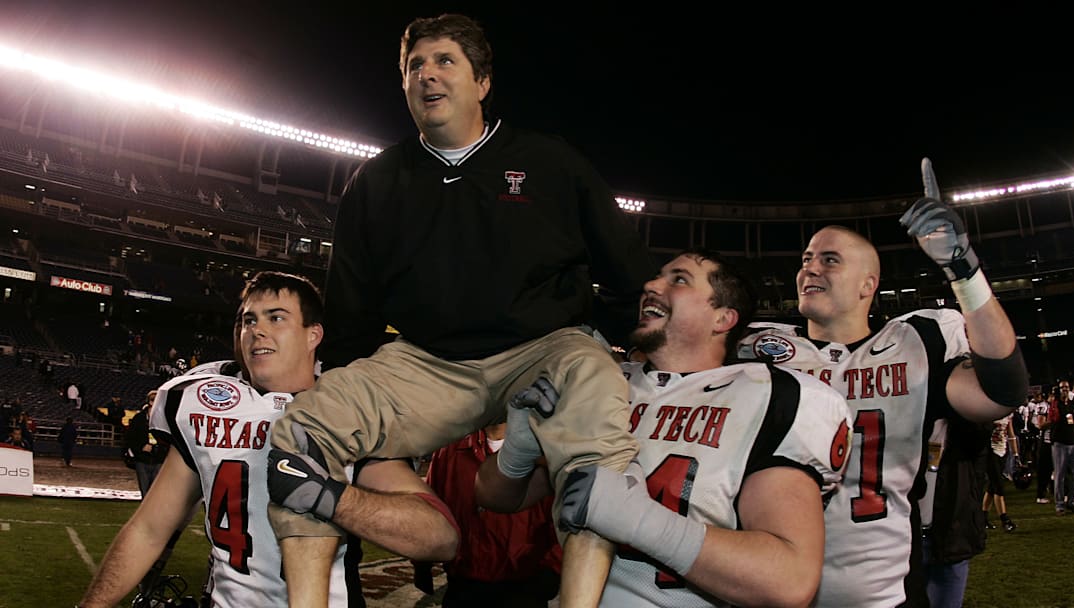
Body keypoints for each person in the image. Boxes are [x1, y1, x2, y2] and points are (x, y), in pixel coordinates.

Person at [265, 13, 655, 606]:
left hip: (542, 350)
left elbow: (626, 276)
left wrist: (620, 340)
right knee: (302, 433)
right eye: (414, 66)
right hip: (428, 363)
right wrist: (356, 398)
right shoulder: (376, 182)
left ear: (483, 81)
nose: (427, 75)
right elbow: (353, 317)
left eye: (444, 61)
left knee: (593, 407)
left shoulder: (551, 163)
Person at [481, 250, 853, 606]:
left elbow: (789, 580)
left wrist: (636, 520)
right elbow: (495, 498)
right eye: (658, 276)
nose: (652, 286)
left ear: (723, 318)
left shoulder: (770, 393)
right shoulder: (603, 384)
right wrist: (519, 450)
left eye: (679, 279)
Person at [737, 159, 1026, 606]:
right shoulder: (756, 348)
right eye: (807, 259)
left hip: (881, 594)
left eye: (829, 260)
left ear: (867, 284)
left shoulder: (914, 342)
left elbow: (1002, 391)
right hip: (763, 587)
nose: (809, 269)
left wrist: (963, 271)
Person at [79, 271, 459, 608]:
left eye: (276, 318)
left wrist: (331, 497)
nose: (256, 330)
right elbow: (149, 529)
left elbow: (438, 538)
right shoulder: (209, 406)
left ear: (314, 335)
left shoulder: (348, 415)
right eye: (248, 320)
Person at [417, 422, 562, 607]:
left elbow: (563, 517)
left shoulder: (544, 450)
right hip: (462, 584)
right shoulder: (449, 450)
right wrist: (422, 563)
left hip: (524, 586)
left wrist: (552, 570)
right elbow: (431, 508)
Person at [920, 416, 989, 608]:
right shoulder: (907, 416)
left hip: (952, 533)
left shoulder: (964, 425)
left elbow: (979, 434)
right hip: (907, 538)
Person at [124, 390, 166, 497]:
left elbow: (169, 439)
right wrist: (141, 447)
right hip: (142, 460)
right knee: (145, 491)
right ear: (149, 402)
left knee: (155, 493)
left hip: (159, 459)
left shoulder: (164, 419)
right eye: (154, 400)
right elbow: (130, 438)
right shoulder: (139, 419)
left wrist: (159, 448)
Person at [1048, 377, 1074, 514]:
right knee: (1060, 475)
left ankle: (1072, 502)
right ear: (1059, 389)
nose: (1065, 389)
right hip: (1060, 445)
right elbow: (1052, 420)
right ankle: (1060, 505)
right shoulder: (1055, 404)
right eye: (1062, 387)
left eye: (1067, 387)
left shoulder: (1072, 404)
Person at [981, 414, 1017, 531]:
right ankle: (1004, 519)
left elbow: (1011, 434)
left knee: (992, 487)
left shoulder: (1008, 413)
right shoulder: (990, 412)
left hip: (1002, 450)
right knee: (998, 486)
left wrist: (1015, 454)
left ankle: (983, 518)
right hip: (990, 451)